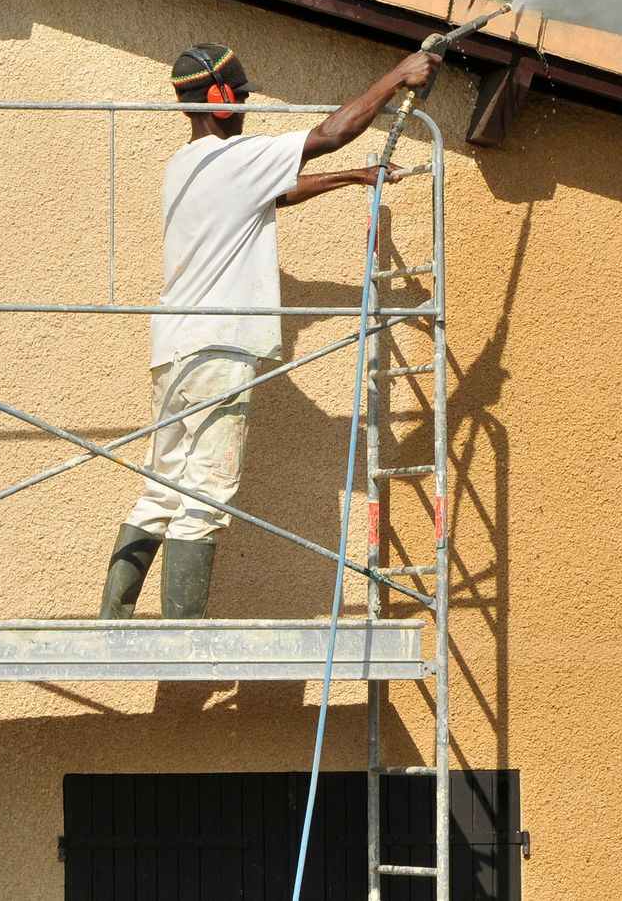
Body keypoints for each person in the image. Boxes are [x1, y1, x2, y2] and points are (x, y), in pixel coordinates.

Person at [98, 41, 441, 619]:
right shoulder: (233, 157)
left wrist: (350, 178)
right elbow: (330, 132)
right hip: (218, 350)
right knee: (207, 492)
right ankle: (182, 638)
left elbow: (275, 191)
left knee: (164, 485)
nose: (249, 106)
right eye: (243, 96)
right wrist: (398, 76)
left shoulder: (186, 166)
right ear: (221, 98)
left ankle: (115, 618)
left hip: (175, 350)